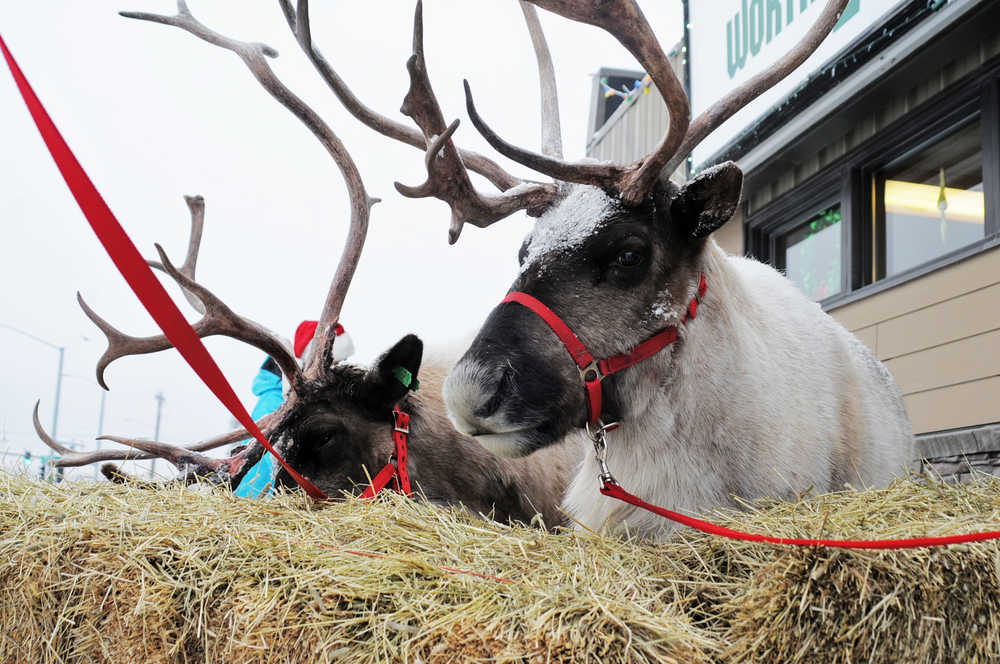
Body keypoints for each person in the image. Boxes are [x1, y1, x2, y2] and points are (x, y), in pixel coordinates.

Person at [234, 320, 354, 497]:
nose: (338, 371)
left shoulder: (304, 404)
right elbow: (265, 465)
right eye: (334, 364)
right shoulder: (275, 404)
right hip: (261, 507)